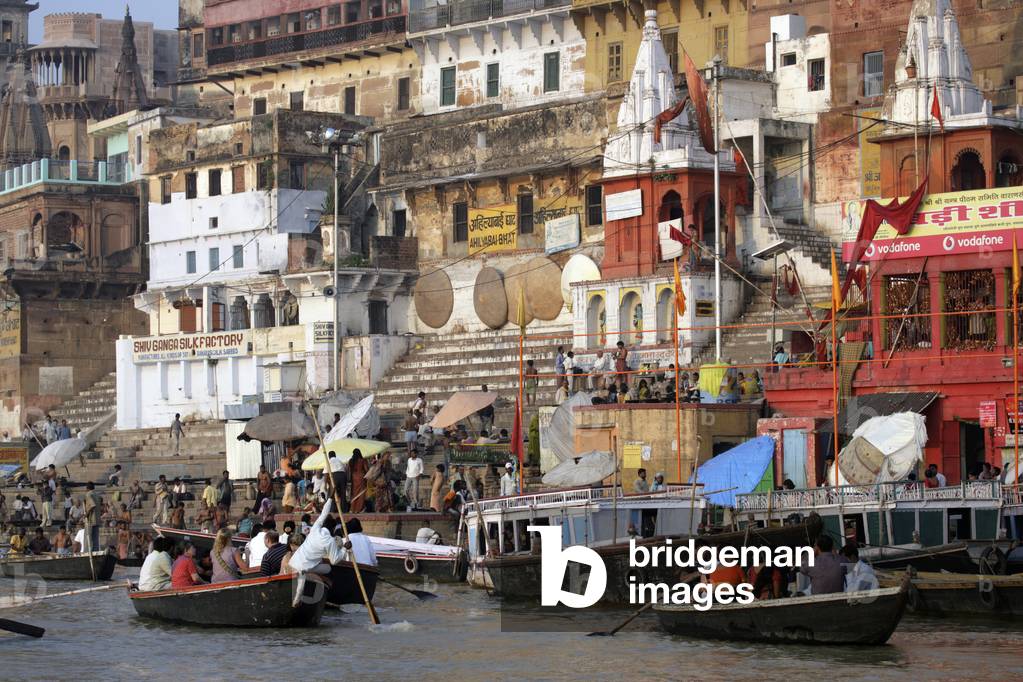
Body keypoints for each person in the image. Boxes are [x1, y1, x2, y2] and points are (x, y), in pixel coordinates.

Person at [84, 482, 102, 551]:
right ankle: (95, 551)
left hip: (90, 519)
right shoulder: (97, 495)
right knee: (95, 538)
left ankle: (87, 552)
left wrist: (86, 514)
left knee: (88, 537)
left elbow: (92, 505)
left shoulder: (88, 494)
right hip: (97, 519)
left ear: (87, 488)